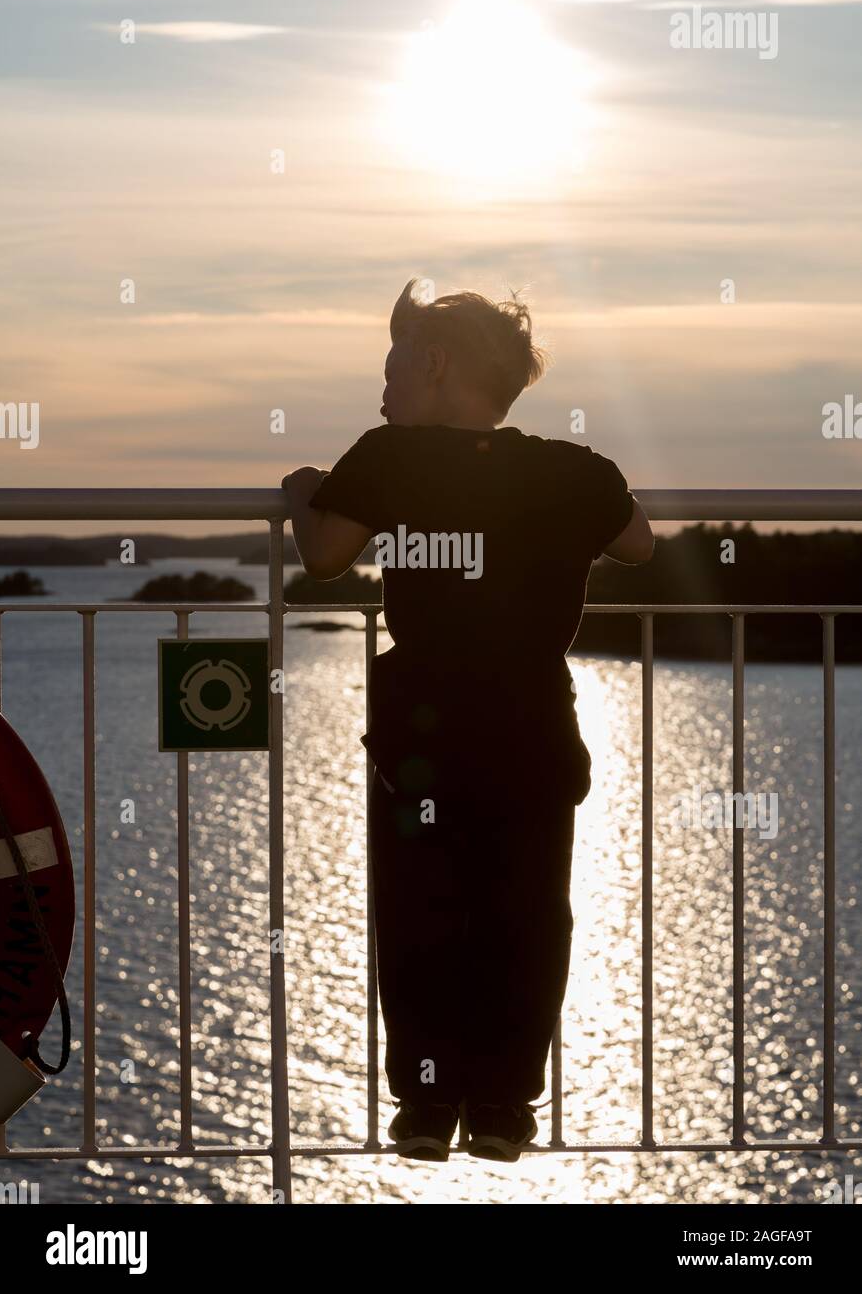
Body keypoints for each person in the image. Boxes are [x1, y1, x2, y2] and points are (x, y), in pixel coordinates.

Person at [283, 278, 654, 1163]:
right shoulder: (575, 472)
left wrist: (303, 490)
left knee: (421, 912)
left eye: (391, 368)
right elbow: (640, 543)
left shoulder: (389, 455)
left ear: (433, 364)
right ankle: (501, 1105)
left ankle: (422, 1102)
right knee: (529, 917)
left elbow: (328, 556)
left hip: (425, 737)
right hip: (531, 732)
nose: (381, 390)